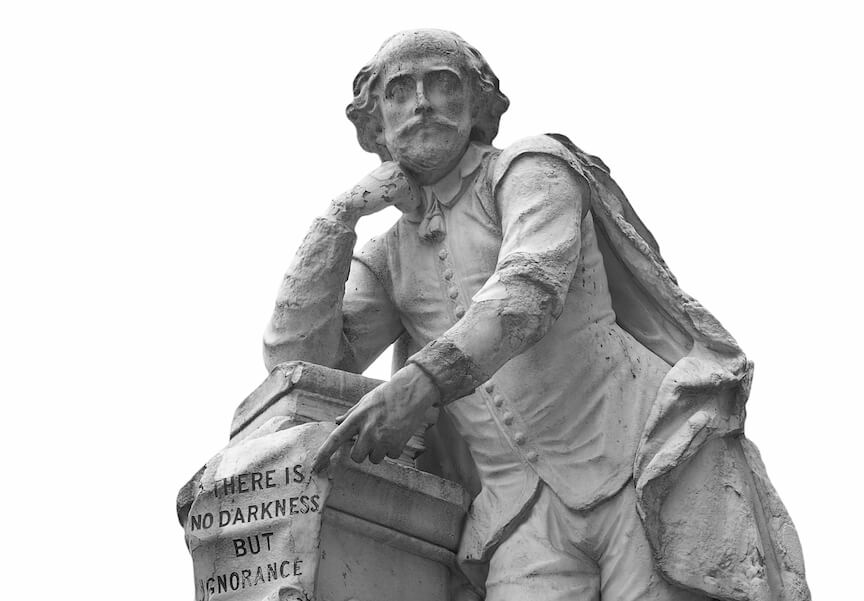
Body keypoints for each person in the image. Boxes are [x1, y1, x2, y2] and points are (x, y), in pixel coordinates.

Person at [264, 29, 809, 601]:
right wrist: (339, 217)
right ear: (374, 124)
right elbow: (296, 363)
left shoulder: (530, 168)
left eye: (441, 84)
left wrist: (417, 386)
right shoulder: (388, 255)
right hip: (517, 516)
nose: (421, 103)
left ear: (477, 104)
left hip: (634, 464)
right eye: (400, 91)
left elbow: (529, 291)